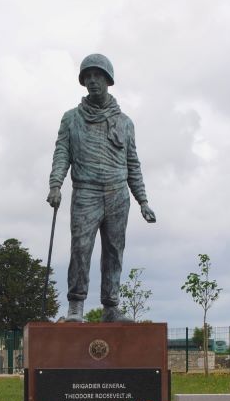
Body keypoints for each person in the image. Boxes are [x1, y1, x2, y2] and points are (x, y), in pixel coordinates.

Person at [47, 53, 155, 323]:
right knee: (81, 248)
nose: (93, 81)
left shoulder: (125, 123)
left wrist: (142, 200)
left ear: (108, 80)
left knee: (114, 251)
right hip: (86, 191)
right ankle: (76, 306)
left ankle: (111, 307)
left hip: (118, 193)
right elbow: (62, 153)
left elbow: (133, 163)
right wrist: (55, 184)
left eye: (98, 76)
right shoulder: (71, 119)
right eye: (88, 77)